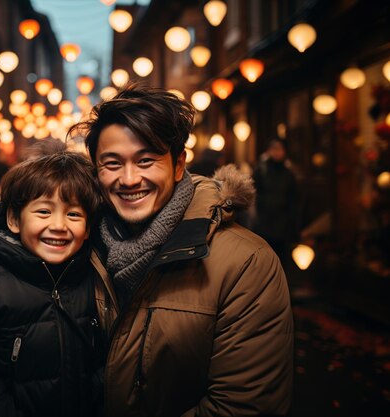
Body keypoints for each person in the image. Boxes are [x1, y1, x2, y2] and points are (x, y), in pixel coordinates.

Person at [70, 84, 293, 417]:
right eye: (112, 164)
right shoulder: (78, 247)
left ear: (178, 165)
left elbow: (244, 406)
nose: (129, 179)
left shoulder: (245, 263)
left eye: (146, 160)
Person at [0, 151, 105, 417]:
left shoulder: (93, 277)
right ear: (14, 219)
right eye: (44, 211)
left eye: (73, 215)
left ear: (89, 227)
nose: (58, 225)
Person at [252, 138, 299, 262]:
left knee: (281, 258)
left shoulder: (289, 173)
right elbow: (253, 193)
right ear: (268, 151)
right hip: (264, 221)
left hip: (283, 223)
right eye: (274, 148)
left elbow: (293, 199)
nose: (277, 152)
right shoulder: (261, 171)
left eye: (280, 149)